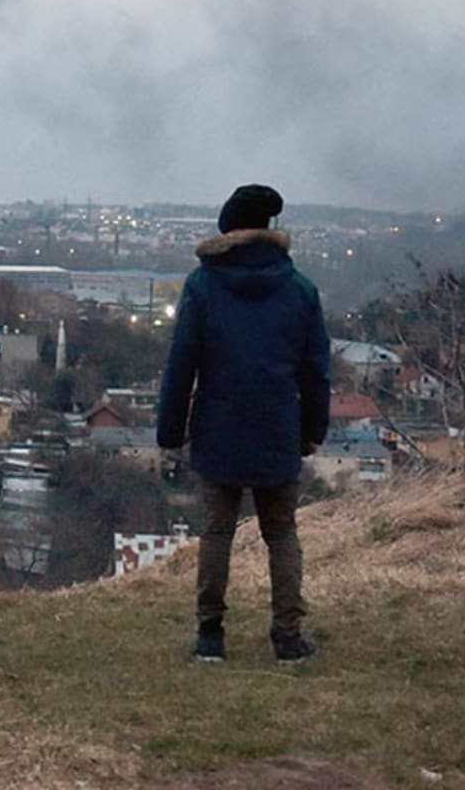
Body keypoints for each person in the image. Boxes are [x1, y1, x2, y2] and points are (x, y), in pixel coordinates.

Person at [157, 184, 331, 664]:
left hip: (218, 423)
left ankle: (210, 636)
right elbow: (315, 370)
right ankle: (288, 638)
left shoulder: (203, 286)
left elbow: (182, 365)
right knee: (281, 533)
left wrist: (170, 433)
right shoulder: (300, 290)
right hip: (279, 426)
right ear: (270, 230)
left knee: (217, 532)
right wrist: (315, 429)